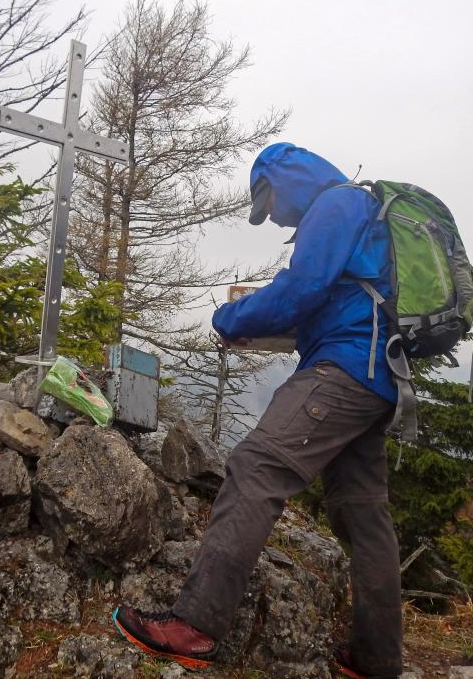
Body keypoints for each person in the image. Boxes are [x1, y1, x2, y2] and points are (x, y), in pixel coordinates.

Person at [113, 142, 404, 679]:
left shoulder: (336, 205)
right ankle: (378, 659)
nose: (270, 218)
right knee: (362, 513)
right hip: (376, 378)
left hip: (342, 369)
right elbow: (325, 299)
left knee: (255, 467)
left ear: (282, 180)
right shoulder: (355, 210)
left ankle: (194, 625)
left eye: (267, 204)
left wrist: (232, 316)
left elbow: (302, 288)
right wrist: (264, 328)